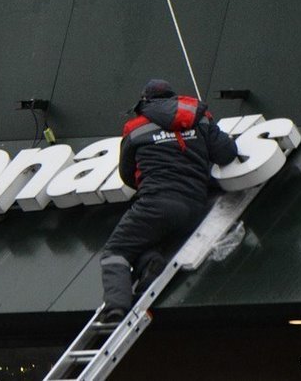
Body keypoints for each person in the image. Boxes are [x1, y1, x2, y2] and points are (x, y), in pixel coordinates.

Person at [99, 79, 238, 322]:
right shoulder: (200, 117)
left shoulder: (135, 129)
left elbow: (127, 176)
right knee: (148, 243)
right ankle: (150, 265)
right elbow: (226, 153)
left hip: (156, 203)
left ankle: (116, 308)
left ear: (145, 101)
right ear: (174, 97)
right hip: (197, 206)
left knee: (116, 251)